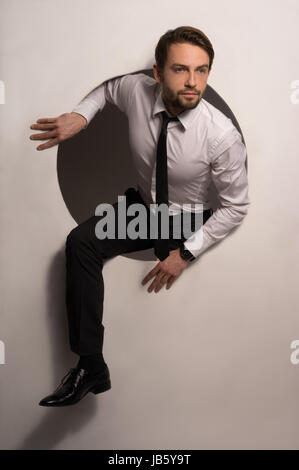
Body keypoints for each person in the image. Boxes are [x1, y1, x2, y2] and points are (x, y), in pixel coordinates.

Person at [29, 26, 250, 407]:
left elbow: (236, 205)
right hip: (145, 210)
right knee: (80, 243)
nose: (193, 82)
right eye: (181, 69)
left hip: (187, 218)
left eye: (202, 70)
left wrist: (186, 253)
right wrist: (82, 117)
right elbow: (105, 91)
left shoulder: (220, 134)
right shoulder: (135, 91)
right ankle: (91, 365)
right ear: (157, 72)